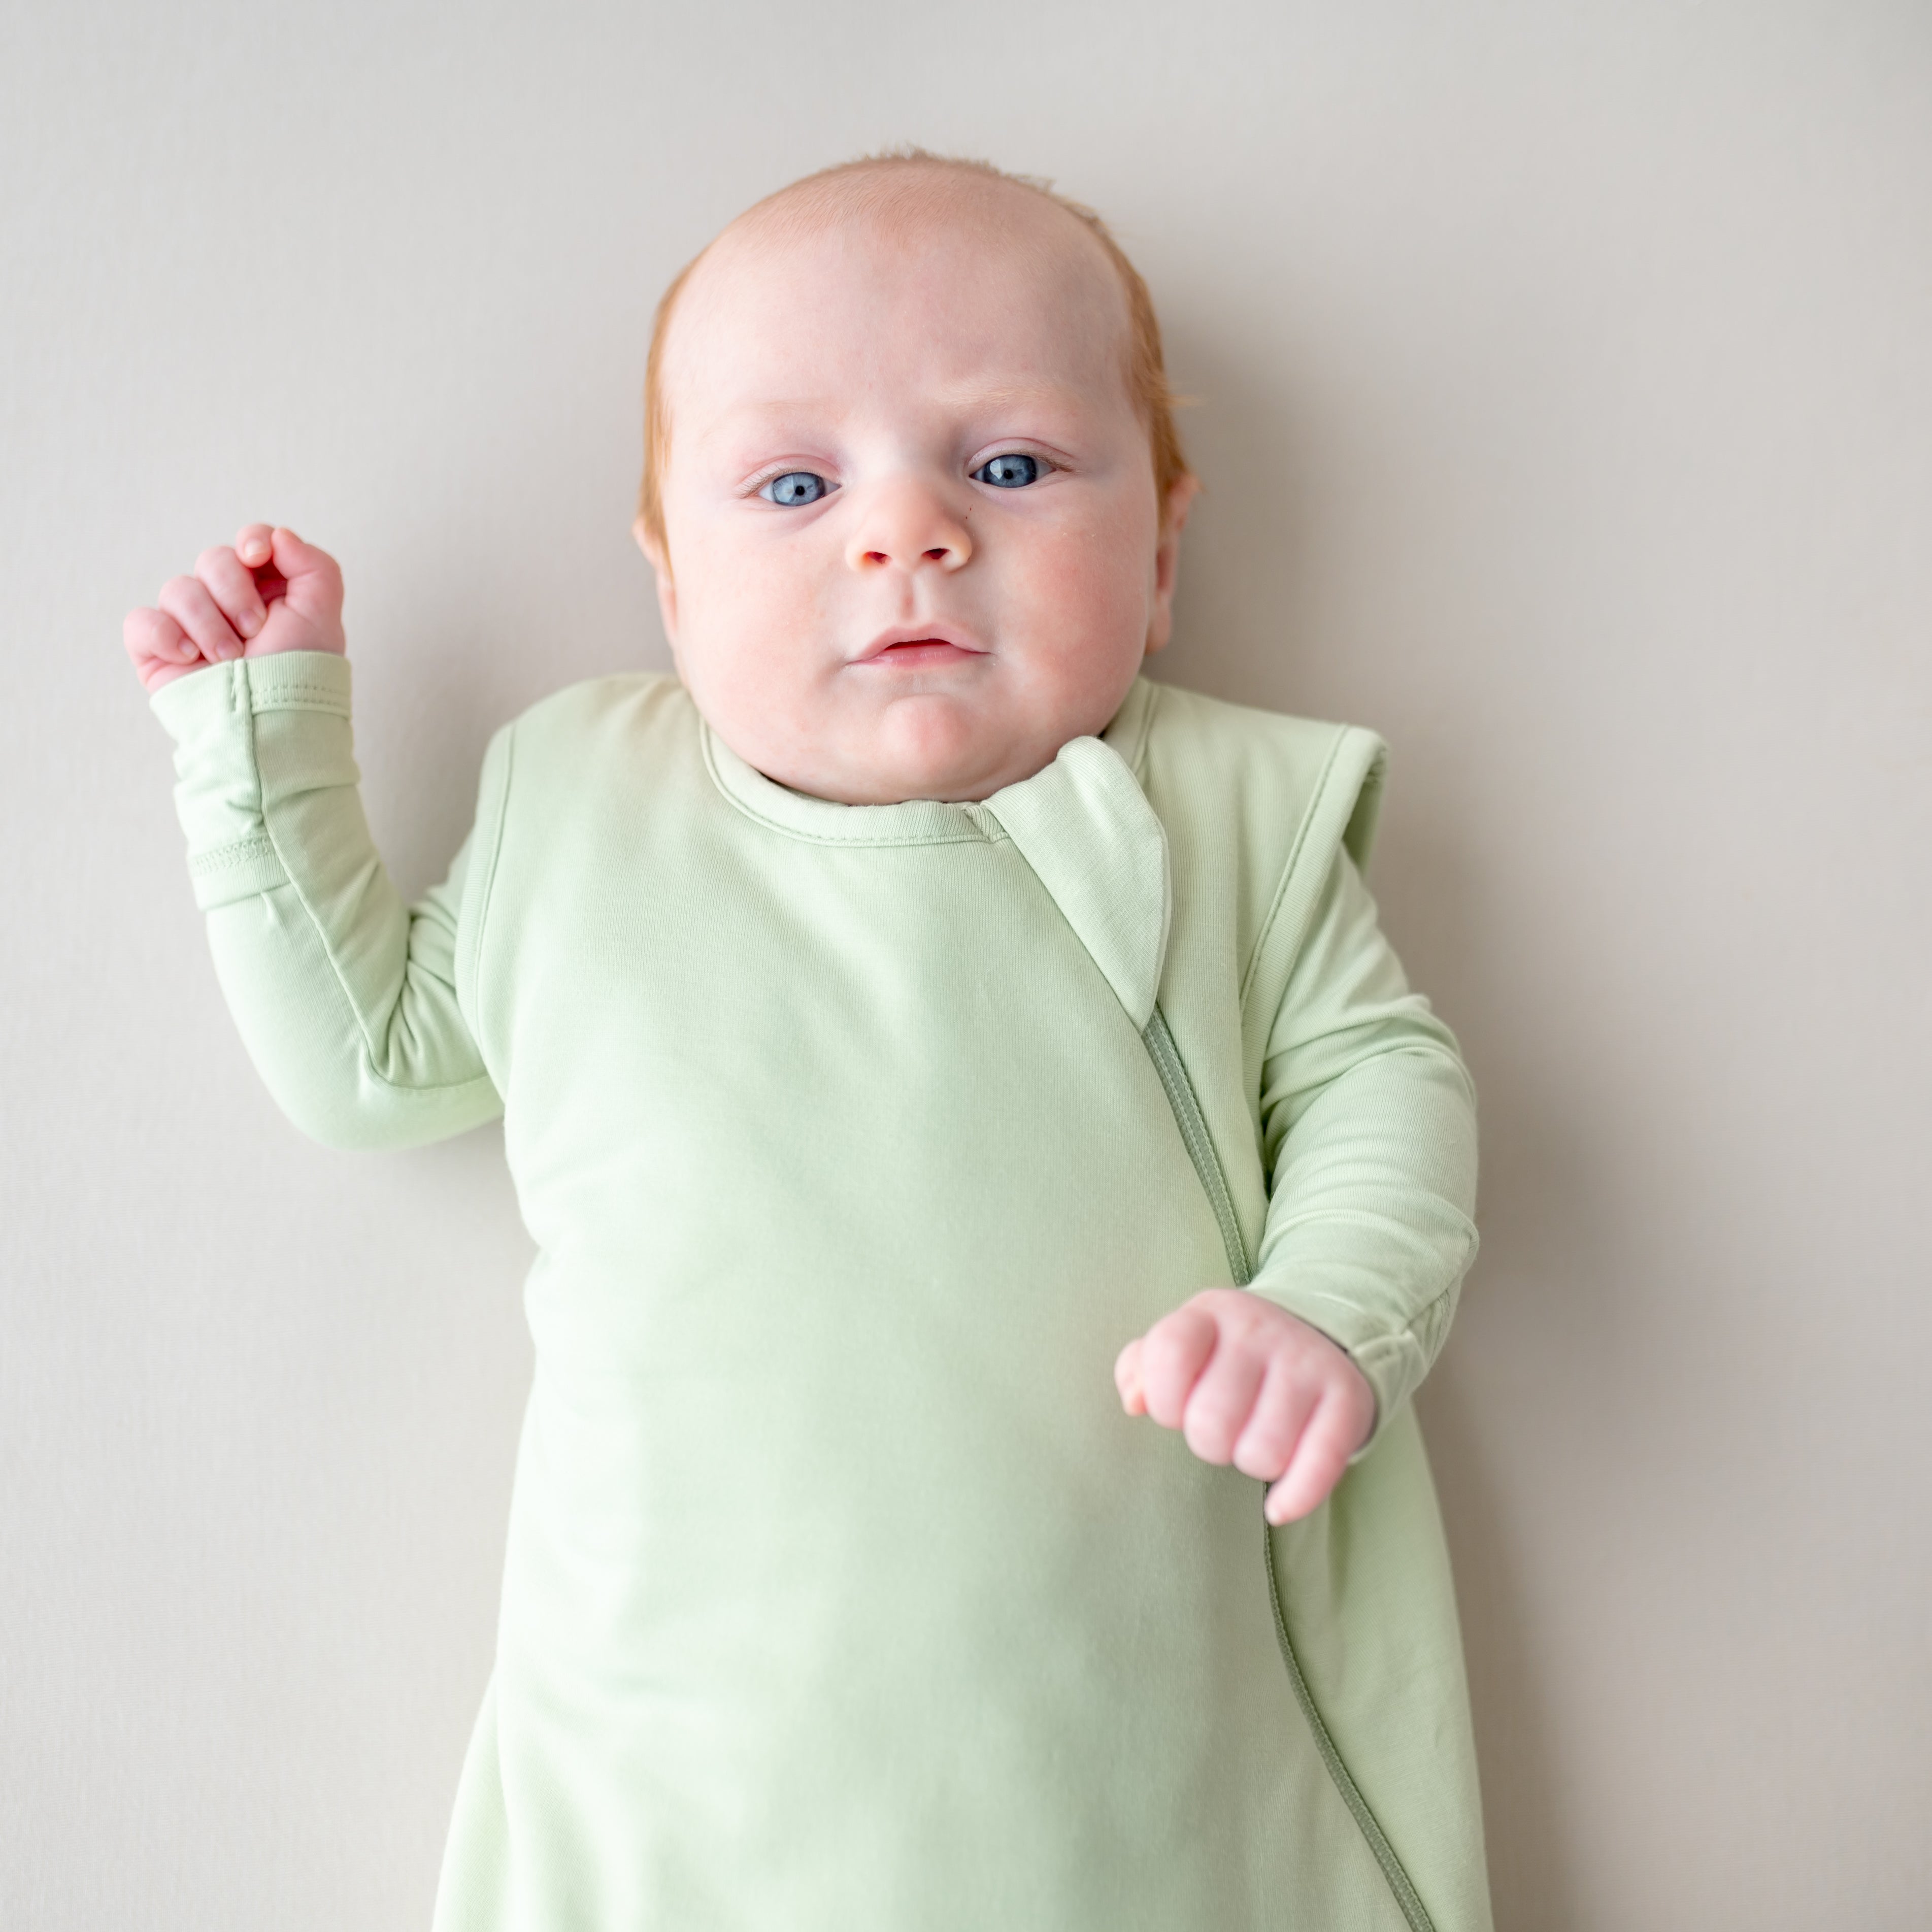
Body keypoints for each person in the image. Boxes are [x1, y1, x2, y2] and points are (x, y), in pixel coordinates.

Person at [126, 150, 1489, 1931]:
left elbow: (1383, 1081)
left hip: (1129, 1750)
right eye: (794, 484)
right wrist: (261, 741)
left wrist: (1328, 1310)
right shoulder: (582, 804)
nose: (905, 532)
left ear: (1161, 556)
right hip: (670, 1765)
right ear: (674, 585)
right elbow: (372, 1058)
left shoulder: (1228, 816)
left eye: (1012, 466)